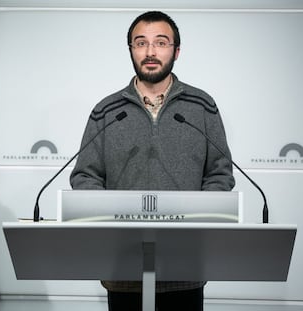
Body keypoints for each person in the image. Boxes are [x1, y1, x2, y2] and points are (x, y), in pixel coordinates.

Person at [70, 11, 235, 311]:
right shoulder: (107, 110)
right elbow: (85, 177)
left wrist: (196, 219)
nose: (150, 52)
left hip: (186, 268)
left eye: (161, 42)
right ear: (131, 49)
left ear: (176, 51)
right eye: (140, 43)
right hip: (123, 269)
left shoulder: (202, 106)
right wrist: (111, 221)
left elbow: (220, 175)